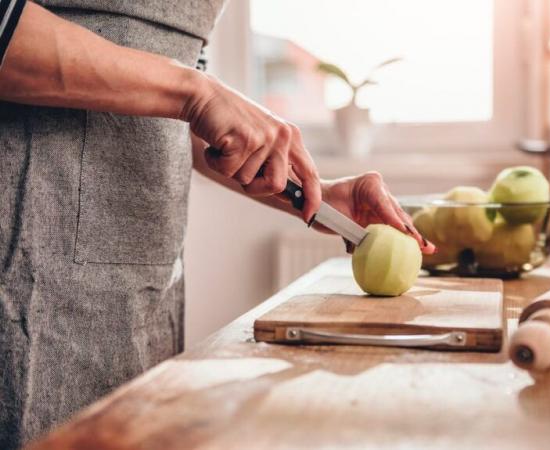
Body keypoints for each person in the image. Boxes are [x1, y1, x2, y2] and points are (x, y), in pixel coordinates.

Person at [0, 1, 435, 447]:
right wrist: (196, 92)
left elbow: (189, 104)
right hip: (27, 241)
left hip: (144, 264)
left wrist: (316, 193)